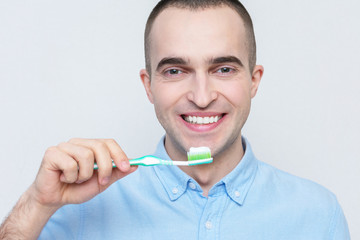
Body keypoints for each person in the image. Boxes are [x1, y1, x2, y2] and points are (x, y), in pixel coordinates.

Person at [0, 0, 350, 239]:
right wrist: (37, 204)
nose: (201, 96)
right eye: (175, 70)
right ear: (148, 84)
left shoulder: (318, 215)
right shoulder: (76, 207)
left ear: (254, 80)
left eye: (223, 68)